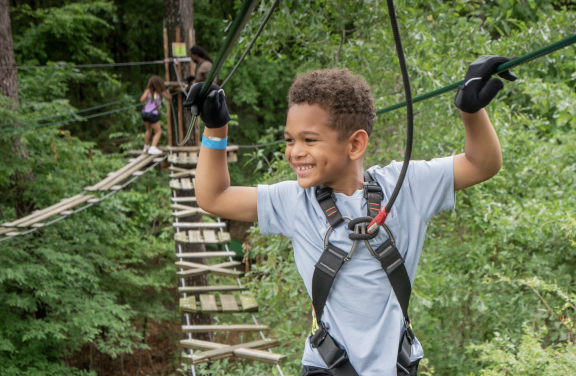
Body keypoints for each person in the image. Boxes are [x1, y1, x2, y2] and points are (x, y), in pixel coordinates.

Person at [186, 56, 516, 375]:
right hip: (326, 367)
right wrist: (216, 129)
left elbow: (480, 164)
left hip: (397, 366)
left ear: (355, 144)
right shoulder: (294, 201)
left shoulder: (405, 185)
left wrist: (471, 111)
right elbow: (214, 197)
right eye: (290, 140)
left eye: (309, 140)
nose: (294, 151)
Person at [140, 75, 170, 154]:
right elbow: (169, 98)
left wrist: (147, 94)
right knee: (158, 131)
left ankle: (146, 147)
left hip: (145, 113)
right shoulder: (161, 92)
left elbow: (142, 100)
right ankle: (153, 147)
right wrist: (166, 91)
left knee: (148, 129)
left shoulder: (148, 91)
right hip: (152, 114)